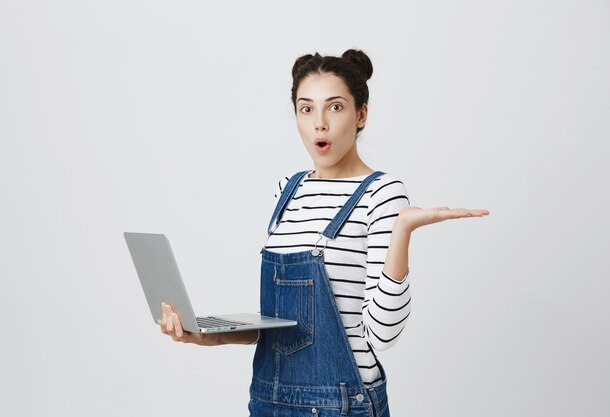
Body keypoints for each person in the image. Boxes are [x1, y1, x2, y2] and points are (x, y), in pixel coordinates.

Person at [158, 49, 490, 416]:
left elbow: (382, 334)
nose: (320, 123)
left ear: (361, 113)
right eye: (306, 109)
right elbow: (284, 328)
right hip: (268, 401)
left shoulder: (382, 192)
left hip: (340, 405)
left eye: (334, 107)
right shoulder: (288, 189)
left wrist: (403, 232)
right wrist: (203, 333)